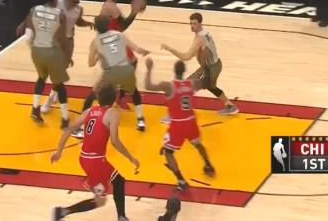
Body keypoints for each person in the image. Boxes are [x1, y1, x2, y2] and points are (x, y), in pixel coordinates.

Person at [51, 83, 139, 221]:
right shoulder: (112, 114)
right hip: (96, 161)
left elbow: (68, 129)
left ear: (98, 97)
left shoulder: (89, 111)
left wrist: (59, 151)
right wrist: (131, 158)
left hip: (85, 158)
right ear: (114, 98)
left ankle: (121, 216)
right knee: (100, 201)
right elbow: (114, 141)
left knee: (118, 181)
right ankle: (63, 211)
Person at [144, 58, 215, 190]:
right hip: (191, 121)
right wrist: (205, 68)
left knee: (168, 152)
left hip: (178, 124)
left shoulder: (169, 86)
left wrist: (148, 69)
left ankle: (181, 181)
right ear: (184, 71)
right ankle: (208, 165)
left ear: (174, 71)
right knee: (198, 144)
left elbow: (148, 86)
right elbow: (206, 82)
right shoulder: (192, 83)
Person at [79, 15, 150, 136]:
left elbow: (91, 64)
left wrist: (97, 57)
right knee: (134, 91)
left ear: (96, 28)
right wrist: (144, 51)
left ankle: (81, 127)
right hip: (126, 69)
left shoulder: (95, 42)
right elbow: (137, 48)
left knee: (92, 95)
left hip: (111, 72)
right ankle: (140, 120)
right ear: (108, 25)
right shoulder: (119, 35)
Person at [161, 12, 239, 115]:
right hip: (215, 64)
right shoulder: (205, 33)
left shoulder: (199, 38)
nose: (192, 26)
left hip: (210, 69)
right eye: (191, 23)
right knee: (210, 86)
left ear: (200, 23)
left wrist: (169, 48)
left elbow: (186, 57)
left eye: (194, 24)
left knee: (185, 85)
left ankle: (176, 113)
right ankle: (230, 106)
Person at [15, 0, 70, 127]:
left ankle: (35, 108)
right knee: (59, 84)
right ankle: (65, 119)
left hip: (36, 50)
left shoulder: (34, 10)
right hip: (52, 51)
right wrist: (66, 56)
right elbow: (63, 39)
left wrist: (33, 49)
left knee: (41, 78)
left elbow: (28, 36)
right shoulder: (60, 14)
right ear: (55, 0)